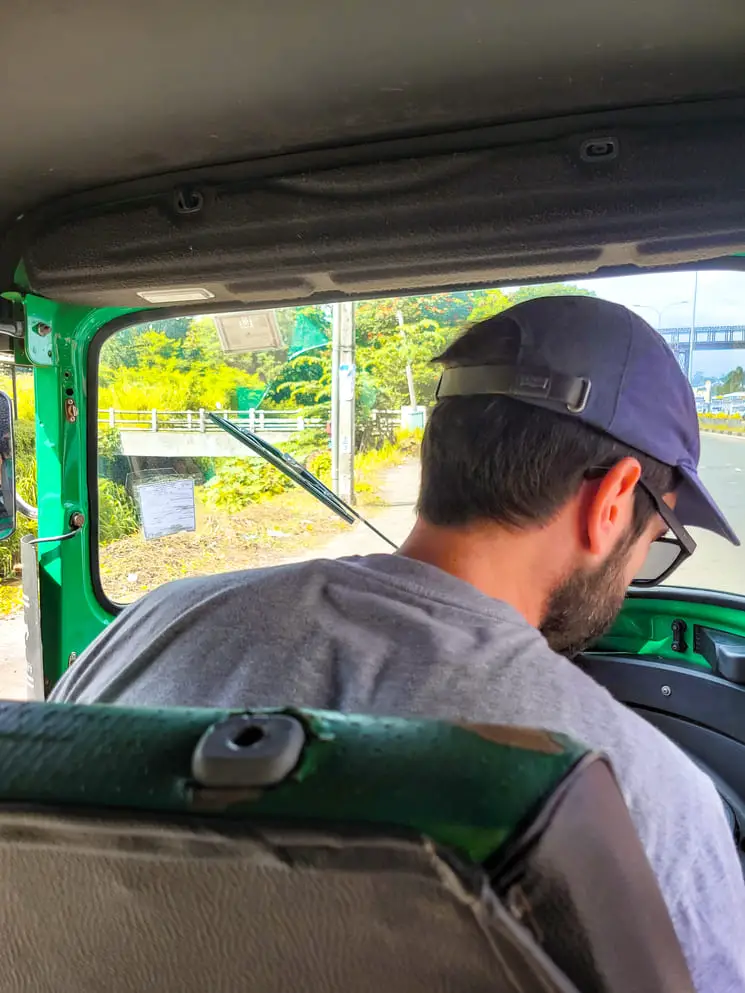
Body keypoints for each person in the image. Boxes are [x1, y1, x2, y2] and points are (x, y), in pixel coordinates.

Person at [52, 296, 745, 990]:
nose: (633, 578)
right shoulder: (642, 794)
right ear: (614, 500)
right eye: (653, 546)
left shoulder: (147, 625)